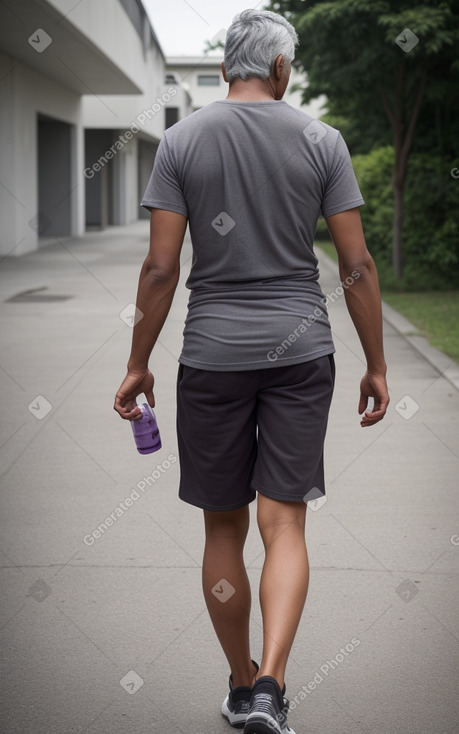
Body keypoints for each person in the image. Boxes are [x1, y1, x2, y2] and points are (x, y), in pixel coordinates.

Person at [114, 9, 389, 734]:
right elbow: (355, 266)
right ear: (278, 68)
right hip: (301, 351)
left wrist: (137, 363)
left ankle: (240, 685)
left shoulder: (180, 140)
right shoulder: (320, 140)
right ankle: (272, 681)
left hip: (211, 354)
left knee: (223, 530)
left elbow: (161, 267)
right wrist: (377, 365)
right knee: (285, 522)